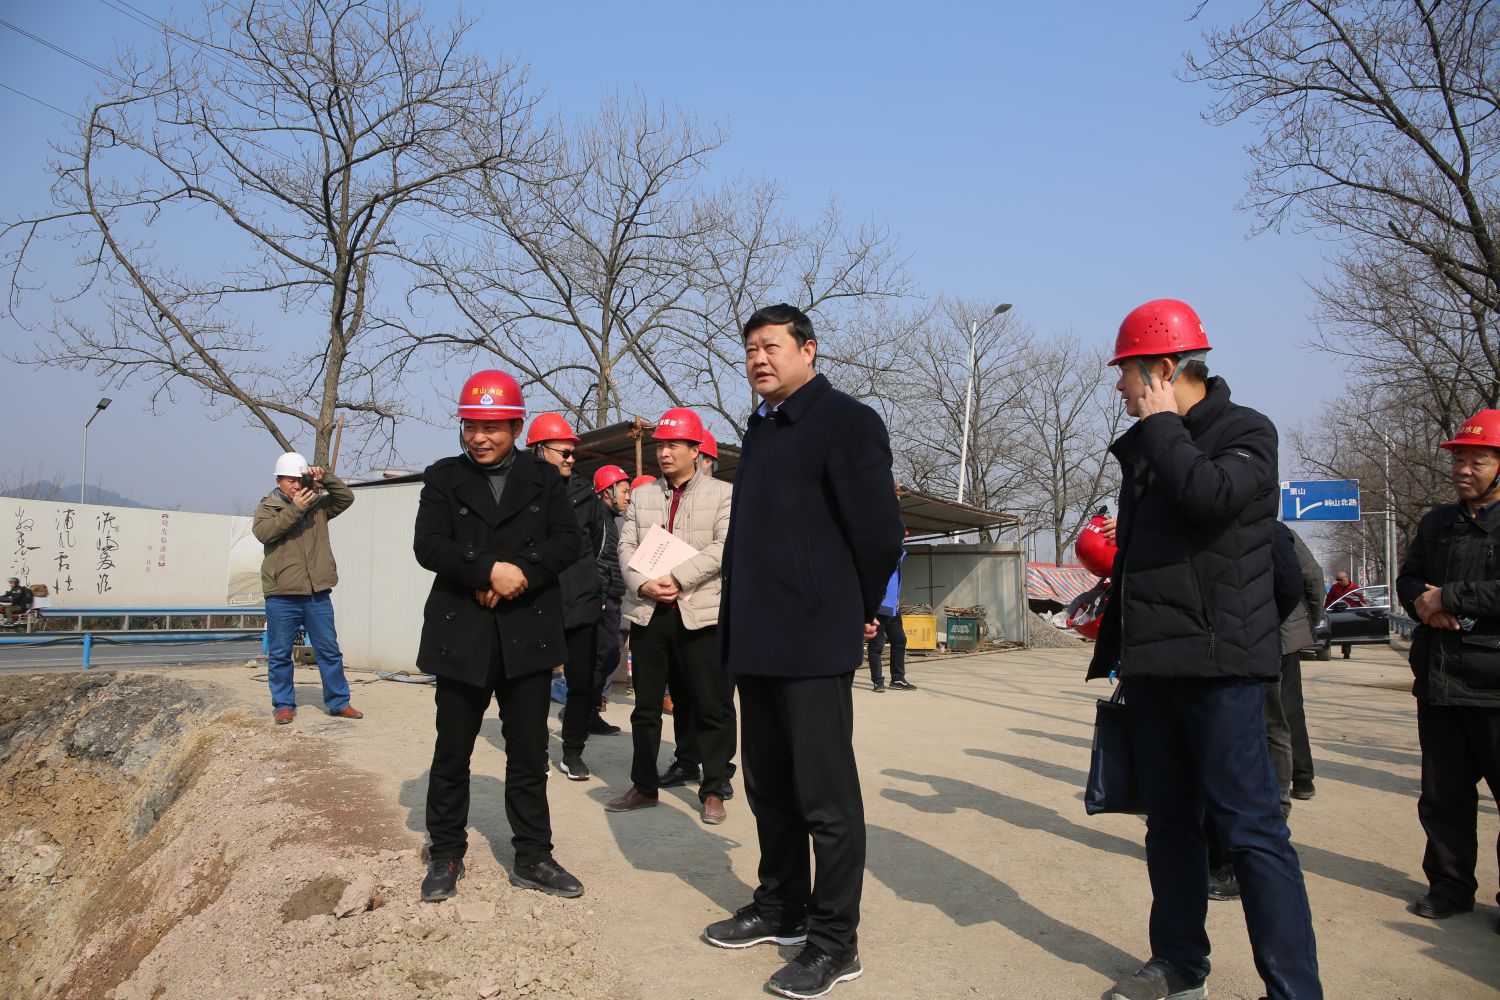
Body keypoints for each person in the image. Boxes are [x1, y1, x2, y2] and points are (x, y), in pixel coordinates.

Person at [1088, 299, 1321, 1000]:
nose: (1119, 387)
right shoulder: (1147, 449)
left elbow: (1208, 496)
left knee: (1250, 831)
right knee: (1168, 825)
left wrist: (1162, 426)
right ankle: (1179, 962)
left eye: (1126, 372)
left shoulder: (1246, 431)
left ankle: (1293, 988)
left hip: (1221, 669)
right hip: (1155, 668)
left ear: (1162, 369)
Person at [705, 303, 903, 1000]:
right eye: (750, 349)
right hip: (757, 636)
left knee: (825, 799)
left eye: (772, 346)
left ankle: (834, 941)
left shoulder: (846, 421)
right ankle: (782, 907)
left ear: (808, 350)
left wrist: (857, 607)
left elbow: (879, 533)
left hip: (813, 635)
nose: (759, 359)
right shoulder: (762, 428)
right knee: (768, 788)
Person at [413, 369, 585, 903]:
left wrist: (519, 575)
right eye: (471, 426)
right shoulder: (443, 478)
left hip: (526, 631)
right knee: (452, 750)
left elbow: (568, 541)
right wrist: (487, 570)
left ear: (516, 427)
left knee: (529, 753)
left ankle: (533, 855)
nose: (479, 437)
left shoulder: (544, 478)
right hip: (461, 631)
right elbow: (429, 545)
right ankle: (446, 852)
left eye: (491, 427)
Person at [606, 407, 735, 825]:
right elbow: (625, 547)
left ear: (695, 450)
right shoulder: (642, 496)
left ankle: (712, 789)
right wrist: (643, 585)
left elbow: (724, 547)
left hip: (699, 614)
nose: (664, 452)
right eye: (660, 445)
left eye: (674, 445)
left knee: (709, 705)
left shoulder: (723, 494)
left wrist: (678, 578)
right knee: (645, 706)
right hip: (650, 613)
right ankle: (644, 786)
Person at [1396, 408, 1500, 927]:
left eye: (1476, 461)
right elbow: (1409, 579)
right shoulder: (1437, 522)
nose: (1462, 469)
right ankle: (1449, 886)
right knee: (1442, 796)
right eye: (1458, 459)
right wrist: (1423, 603)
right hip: (1439, 680)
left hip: (1494, 684)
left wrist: (1451, 597)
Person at [252, 453, 362, 725]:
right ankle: (283, 705)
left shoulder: (317, 505)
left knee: (329, 650)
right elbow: (265, 533)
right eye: (290, 480)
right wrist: (295, 509)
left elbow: (346, 497)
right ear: (278, 480)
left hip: (317, 593)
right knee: (280, 654)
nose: (296, 485)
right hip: (282, 594)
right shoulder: (267, 508)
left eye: (299, 480)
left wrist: (325, 477)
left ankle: (339, 702)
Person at [526, 413, 606, 781]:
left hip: (581, 598)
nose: (571, 458)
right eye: (564, 452)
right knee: (534, 683)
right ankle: (536, 750)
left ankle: (573, 750)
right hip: (537, 600)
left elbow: (598, 541)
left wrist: (594, 584)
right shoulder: (520, 489)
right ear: (539, 450)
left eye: (573, 452)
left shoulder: (584, 491)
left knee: (582, 682)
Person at [591, 464, 632, 736]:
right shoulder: (600, 519)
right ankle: (583, 711)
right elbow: (596, 559)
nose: (628, 496)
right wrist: (601, 594)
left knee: (608, 656)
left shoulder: (611, 519)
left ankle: (587, 711)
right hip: (604, 599)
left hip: (611, 597)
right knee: (602, 656)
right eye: (624, 491)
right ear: (608, 492)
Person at [1285, 528, 1325, 801]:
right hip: (1285, 634)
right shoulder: (1283, 534)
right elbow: (1312, 576)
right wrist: (1311, 617)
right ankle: (1302, 778)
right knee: (1289, 708)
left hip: (1244, 636)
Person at [867, 552, 911, 692]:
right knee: (876, 646)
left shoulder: (897, 555)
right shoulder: (881, 554)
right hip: (880, 607)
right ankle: (877, 681)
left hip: (893, 607)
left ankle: (897, 678)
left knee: (899, 640)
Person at [1325, 570, 1363, 658]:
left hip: (1349, 613)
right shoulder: (1334, 587)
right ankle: (1327, 650)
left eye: (1340, 580)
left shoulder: (1354, 587)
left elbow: (1361, 600)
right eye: (1337, 580)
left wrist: (1361, 609)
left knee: (1347, 633)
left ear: (1346, 578)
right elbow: (1328, 600)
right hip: (1336, 613)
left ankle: (1346, 653)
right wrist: (1326, 609)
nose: (1338, 581)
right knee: (1331, 632)